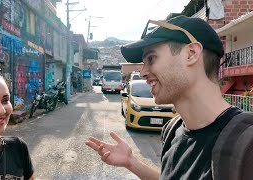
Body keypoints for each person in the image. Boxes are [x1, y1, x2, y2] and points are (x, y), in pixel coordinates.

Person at [85, 15, 253, 179]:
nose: (142, 72)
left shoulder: (246, 144)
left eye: (151, 59)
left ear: (191, 54)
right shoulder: (172, 130)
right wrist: (131, 162)